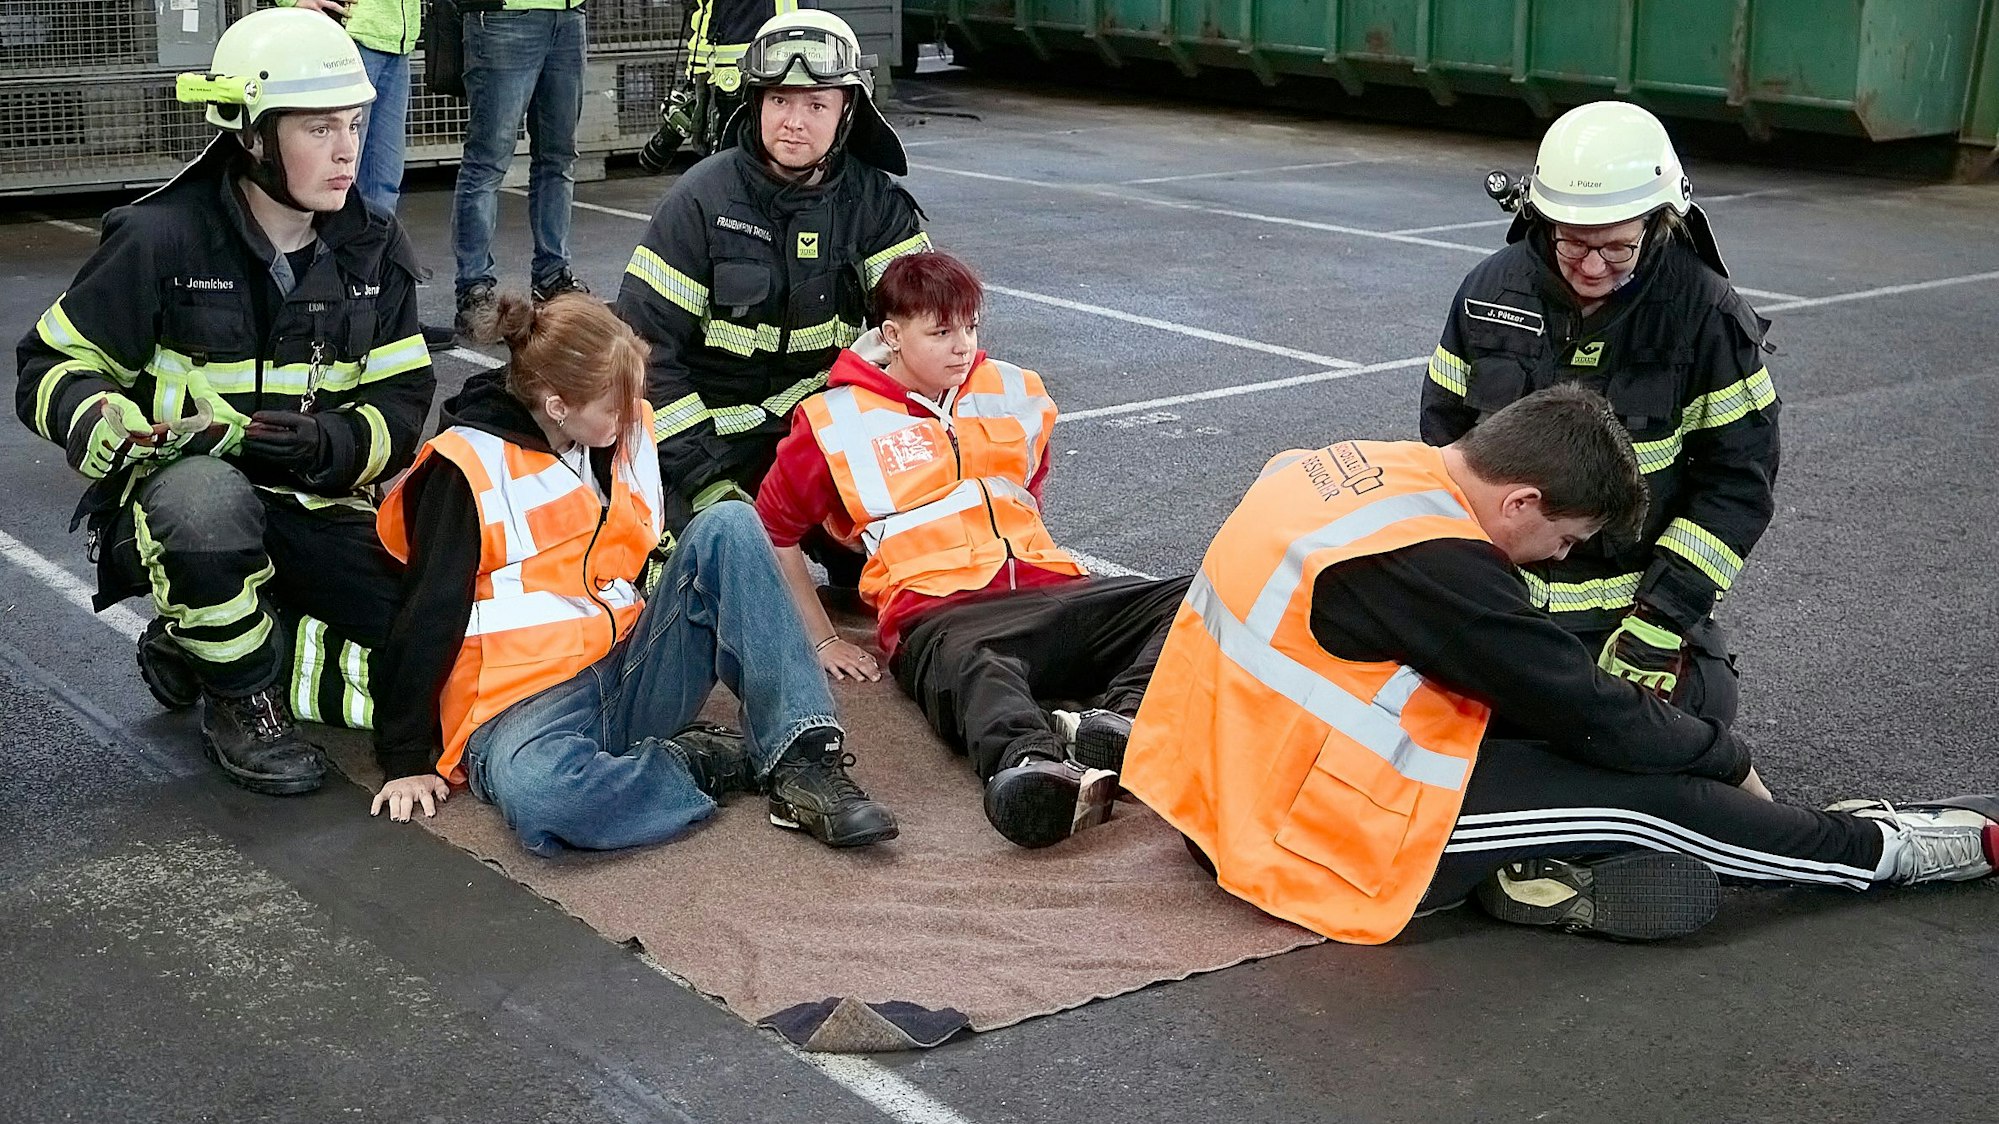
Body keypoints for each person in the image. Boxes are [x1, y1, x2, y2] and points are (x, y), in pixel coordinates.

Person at [1123, 385, 1998, 944]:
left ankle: (1531, 872)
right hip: (1304, 832)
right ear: (1521, 499)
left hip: (1222, 782)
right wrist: (1725, 758)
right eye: (1566, 540)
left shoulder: (1343, 469)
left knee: (1607, 746)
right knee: (1648, 802)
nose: (1555, 560)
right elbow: (1585, 707)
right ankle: (1880, 852)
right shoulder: (1436, 564)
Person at [13, 7, 434, 796]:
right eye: (318, 129)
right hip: (183, 508)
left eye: (353, 123)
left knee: (421, 645)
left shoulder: (373, 248)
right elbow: (49, 364)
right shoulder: (160, 239)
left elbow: (402, 401)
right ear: (252, 136)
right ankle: (243, 699)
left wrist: (327, 445)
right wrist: (98, 416)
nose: (347, 149)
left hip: (314, 502)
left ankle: (202, 644)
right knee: (205, 506)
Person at [369, 292, 897, 853]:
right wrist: (404, 759)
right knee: (547, 797)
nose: (633, 415)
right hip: (517, 712)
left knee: (731, 524)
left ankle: (803, 758)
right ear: (557, 406)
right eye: (615, 406)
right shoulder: (465, 466)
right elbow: (426, 614)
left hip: (627, 669)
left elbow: (655, 551)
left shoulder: (617, 431)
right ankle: (697, 763)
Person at [756, 251, 1190, 849]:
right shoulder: (834, 419)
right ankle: (1030, 765)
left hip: (1054, 592)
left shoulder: (1015, 390)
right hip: (940, 614)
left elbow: (1028, 494)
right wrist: (822, 638)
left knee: (1196, 596)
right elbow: (772, 530)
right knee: (980, 670)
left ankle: (1123, 720)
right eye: (940, 332)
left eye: (971, 326)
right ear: (892, 336)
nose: (962, 346)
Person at [1421, 100, 1779, 725]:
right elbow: (1443, 450)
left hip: (1630, 615)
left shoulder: (1706, 315)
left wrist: (1662, 618)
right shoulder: (1487, 294)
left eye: (1617, 248)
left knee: (1696, 716)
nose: (1591, 267)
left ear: (1661, 222)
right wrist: (1473, 589)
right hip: (1502, 598)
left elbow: (1737, 483)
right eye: (1573, 244)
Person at [616, 9, 931, 545]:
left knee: (908, 546)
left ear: (848, 111)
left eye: (816, 105)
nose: (794, 121)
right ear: (756, 102)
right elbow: (643, 353)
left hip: (818, 435)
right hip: (704, 446)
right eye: (779, 100)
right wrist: (705, 479)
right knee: (707, 562)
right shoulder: (700, 201)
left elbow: (924, 330)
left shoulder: (875, 205)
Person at [282, 0, 455, 350]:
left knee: (382, 189)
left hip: (396, 44)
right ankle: (317, 314)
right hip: (349, 39)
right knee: (334, 184)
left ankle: (379, 314)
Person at [451, 0, 592, 337]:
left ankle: (552, 277)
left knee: (558, 158)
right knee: (487, 162)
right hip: (504, 15)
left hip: (567, 14)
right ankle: (473, 288)